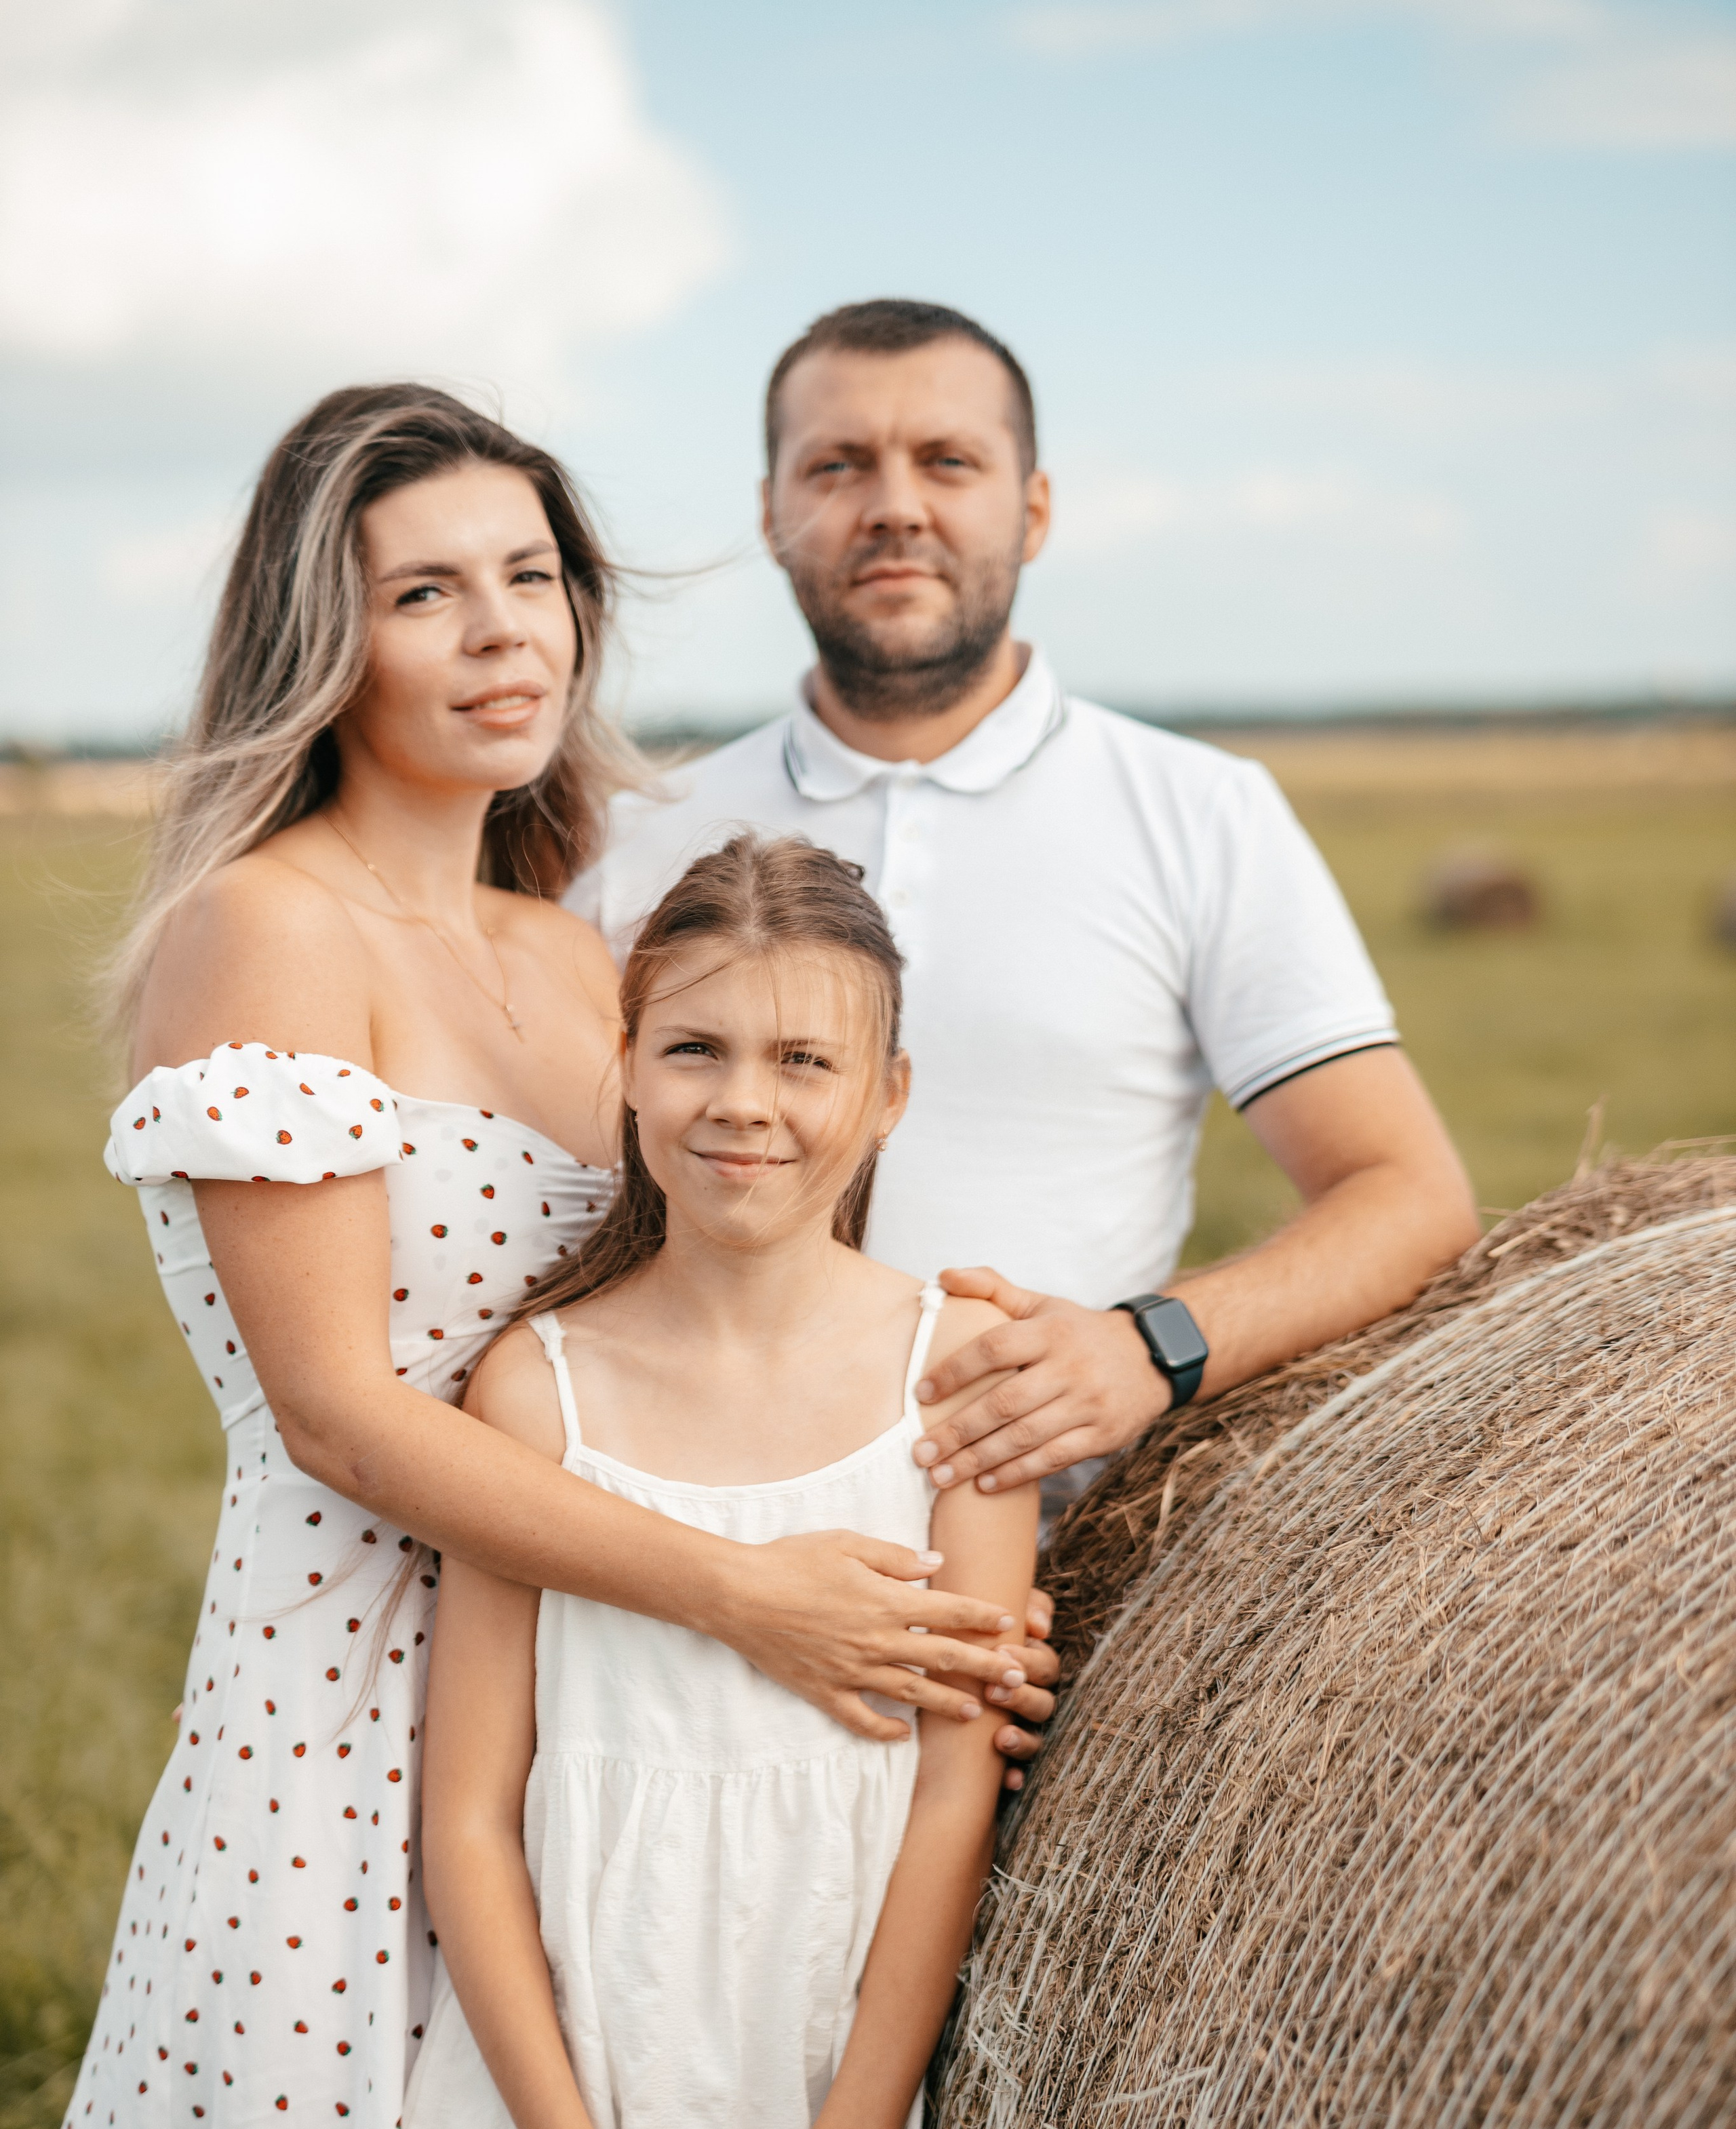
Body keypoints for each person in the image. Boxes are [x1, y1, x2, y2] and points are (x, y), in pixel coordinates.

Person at [39, 386, 1044, 2129]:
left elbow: (658, 1285)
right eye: (429, 593)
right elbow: (346, 1419)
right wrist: (750, 1594)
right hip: (341, 1740)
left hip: (586, 1728)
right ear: (328, 642)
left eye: (536, 582)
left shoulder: (560, 944)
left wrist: (931, 1334)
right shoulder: (265, 931)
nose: (507, 637)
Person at [366, 834, 1038, 2129]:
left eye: (805, 1060)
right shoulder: (537, 1383)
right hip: (545, 2109)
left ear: (887, 1096)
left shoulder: (951, 1374)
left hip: (809, 2075)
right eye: (698, 1050)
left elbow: (953, 1800)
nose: (748, 1104)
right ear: (631, 1069)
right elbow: (471, 1825)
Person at [576, 302, 1480, 1509]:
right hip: (677, 1535)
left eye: (948, 461)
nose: (895, 504)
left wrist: (1147, 1346)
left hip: (1066, 1563)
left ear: (1034, 509)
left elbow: (1408, 1195)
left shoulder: (1204, 810)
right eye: (837, 465)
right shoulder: (634, 830)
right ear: (770, 514)